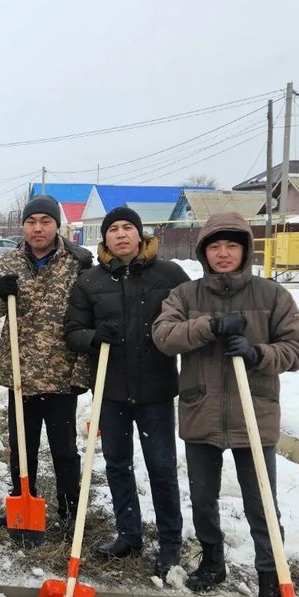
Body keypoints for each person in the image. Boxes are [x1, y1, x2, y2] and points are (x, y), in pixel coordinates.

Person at [152, 212, 299, 597]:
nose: (223, 254)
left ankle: (270, 580)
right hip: (200, 409)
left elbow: (298, 347)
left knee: (262, 503)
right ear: (204, 252)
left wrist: (260, 353)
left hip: (253, 412)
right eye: (215, 247)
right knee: (203, 497)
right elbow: (164, 337)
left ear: (245, 250)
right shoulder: (186, 295)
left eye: (232, 246)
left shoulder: (271, 295)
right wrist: (210, 326)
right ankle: (211, 560)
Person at [64, 206, 189, 577]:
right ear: (104, 238)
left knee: (162, 467)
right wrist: (92, 337)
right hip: (112, 388)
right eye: (113, 229)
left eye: (127, 228)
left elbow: (189, 319)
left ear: (140, 235)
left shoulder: (169, 275)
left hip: (156, 389)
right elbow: (72, 330)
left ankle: (170, 543)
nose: (121, 235)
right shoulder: (90, 281)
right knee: (118, 465)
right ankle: (128, 532)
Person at [0, 195, 93, 530]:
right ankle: (21, 500)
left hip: (61, 372)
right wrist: (2, 293)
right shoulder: (7, 263)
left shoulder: (77, 263)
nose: (38, 228)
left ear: (57, 225)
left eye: (45, 221)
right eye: (32, 222)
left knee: (64, 449)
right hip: (21, 372)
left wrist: (82, 369)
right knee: (22, 446)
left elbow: (90, 312)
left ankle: (69, 509)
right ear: (23, 226)